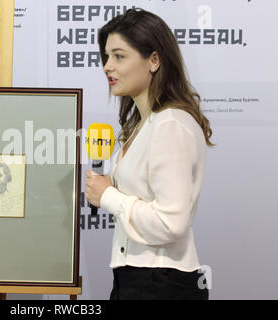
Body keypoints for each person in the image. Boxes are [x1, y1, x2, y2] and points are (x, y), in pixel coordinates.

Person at [85, 8, 213, 300]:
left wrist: (109, 197)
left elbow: (171, 223)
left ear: (154, 60)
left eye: (119, 56)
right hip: (138, 279)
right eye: (106, 56)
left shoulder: (170, 125)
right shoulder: (145, 124)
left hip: (158, 283)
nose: (107, 66)